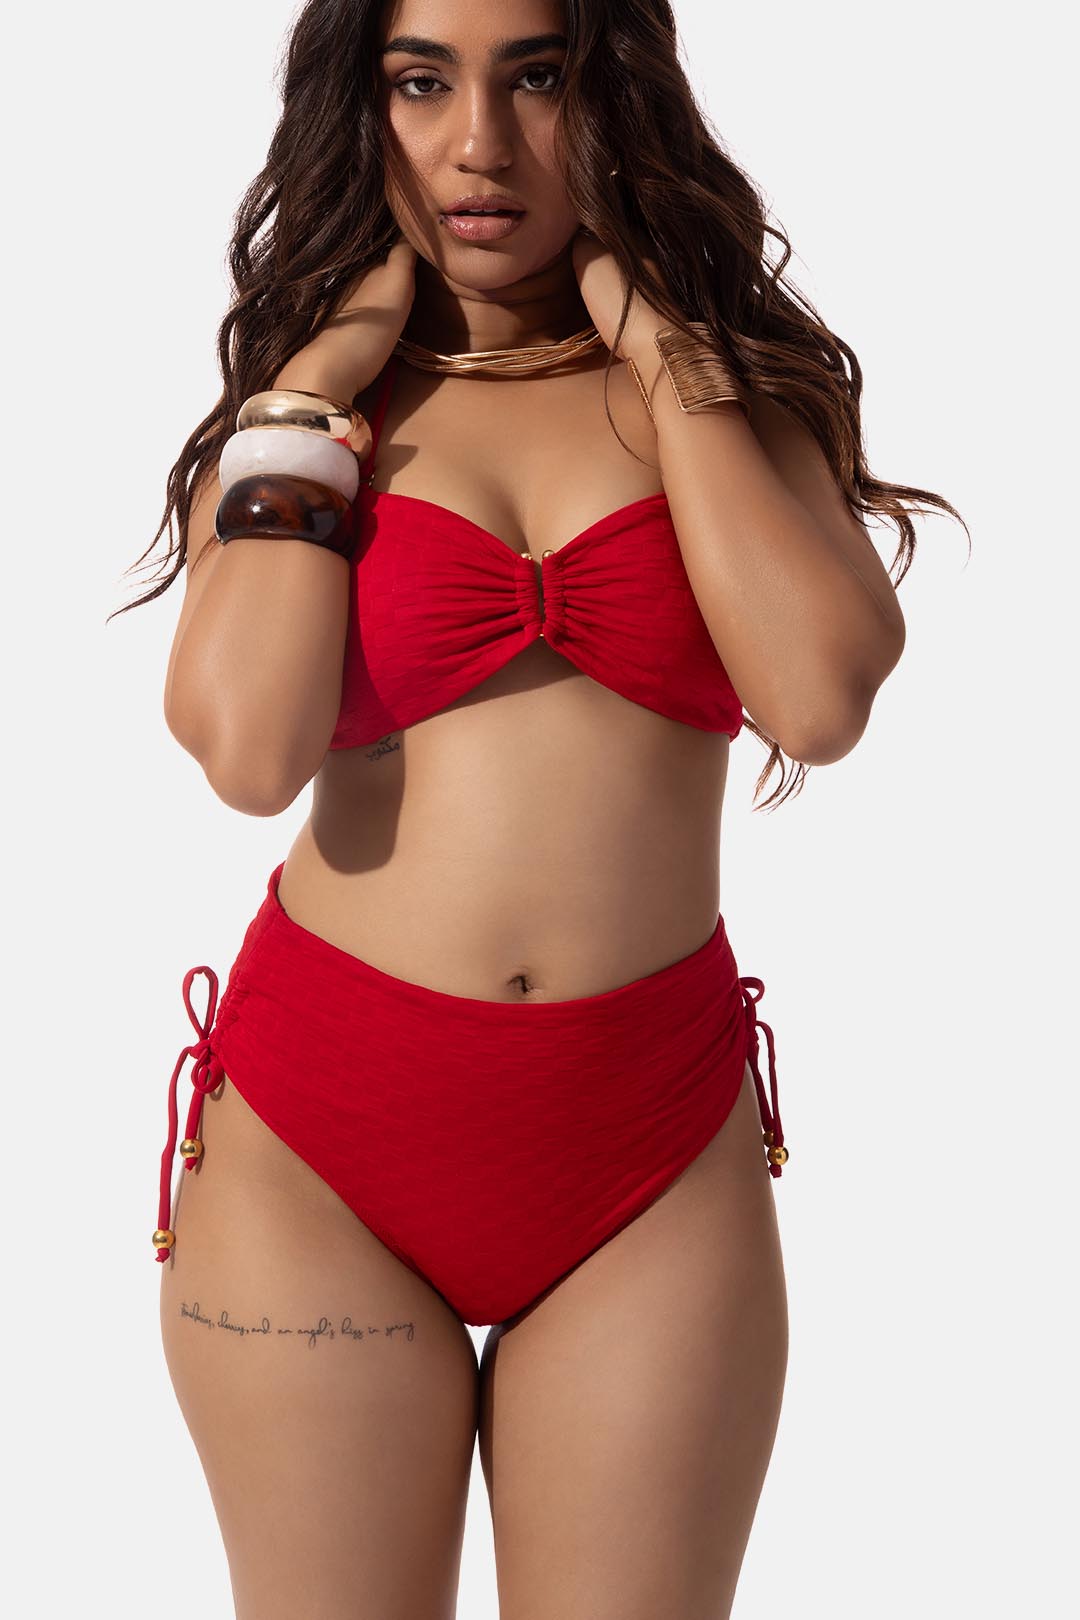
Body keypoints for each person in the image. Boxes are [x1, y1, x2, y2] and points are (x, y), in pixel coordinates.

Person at [115, 1, 964, 1614]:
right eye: (419, 82)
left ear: (615, 93)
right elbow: (247, 753)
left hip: (647, 1145)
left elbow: (818, 699)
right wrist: (315, 382)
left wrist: (668, 355)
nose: (479, 145)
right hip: (320, 1147)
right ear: (363, 108)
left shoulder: (728, 397)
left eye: (540, 77)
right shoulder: (305, 425)